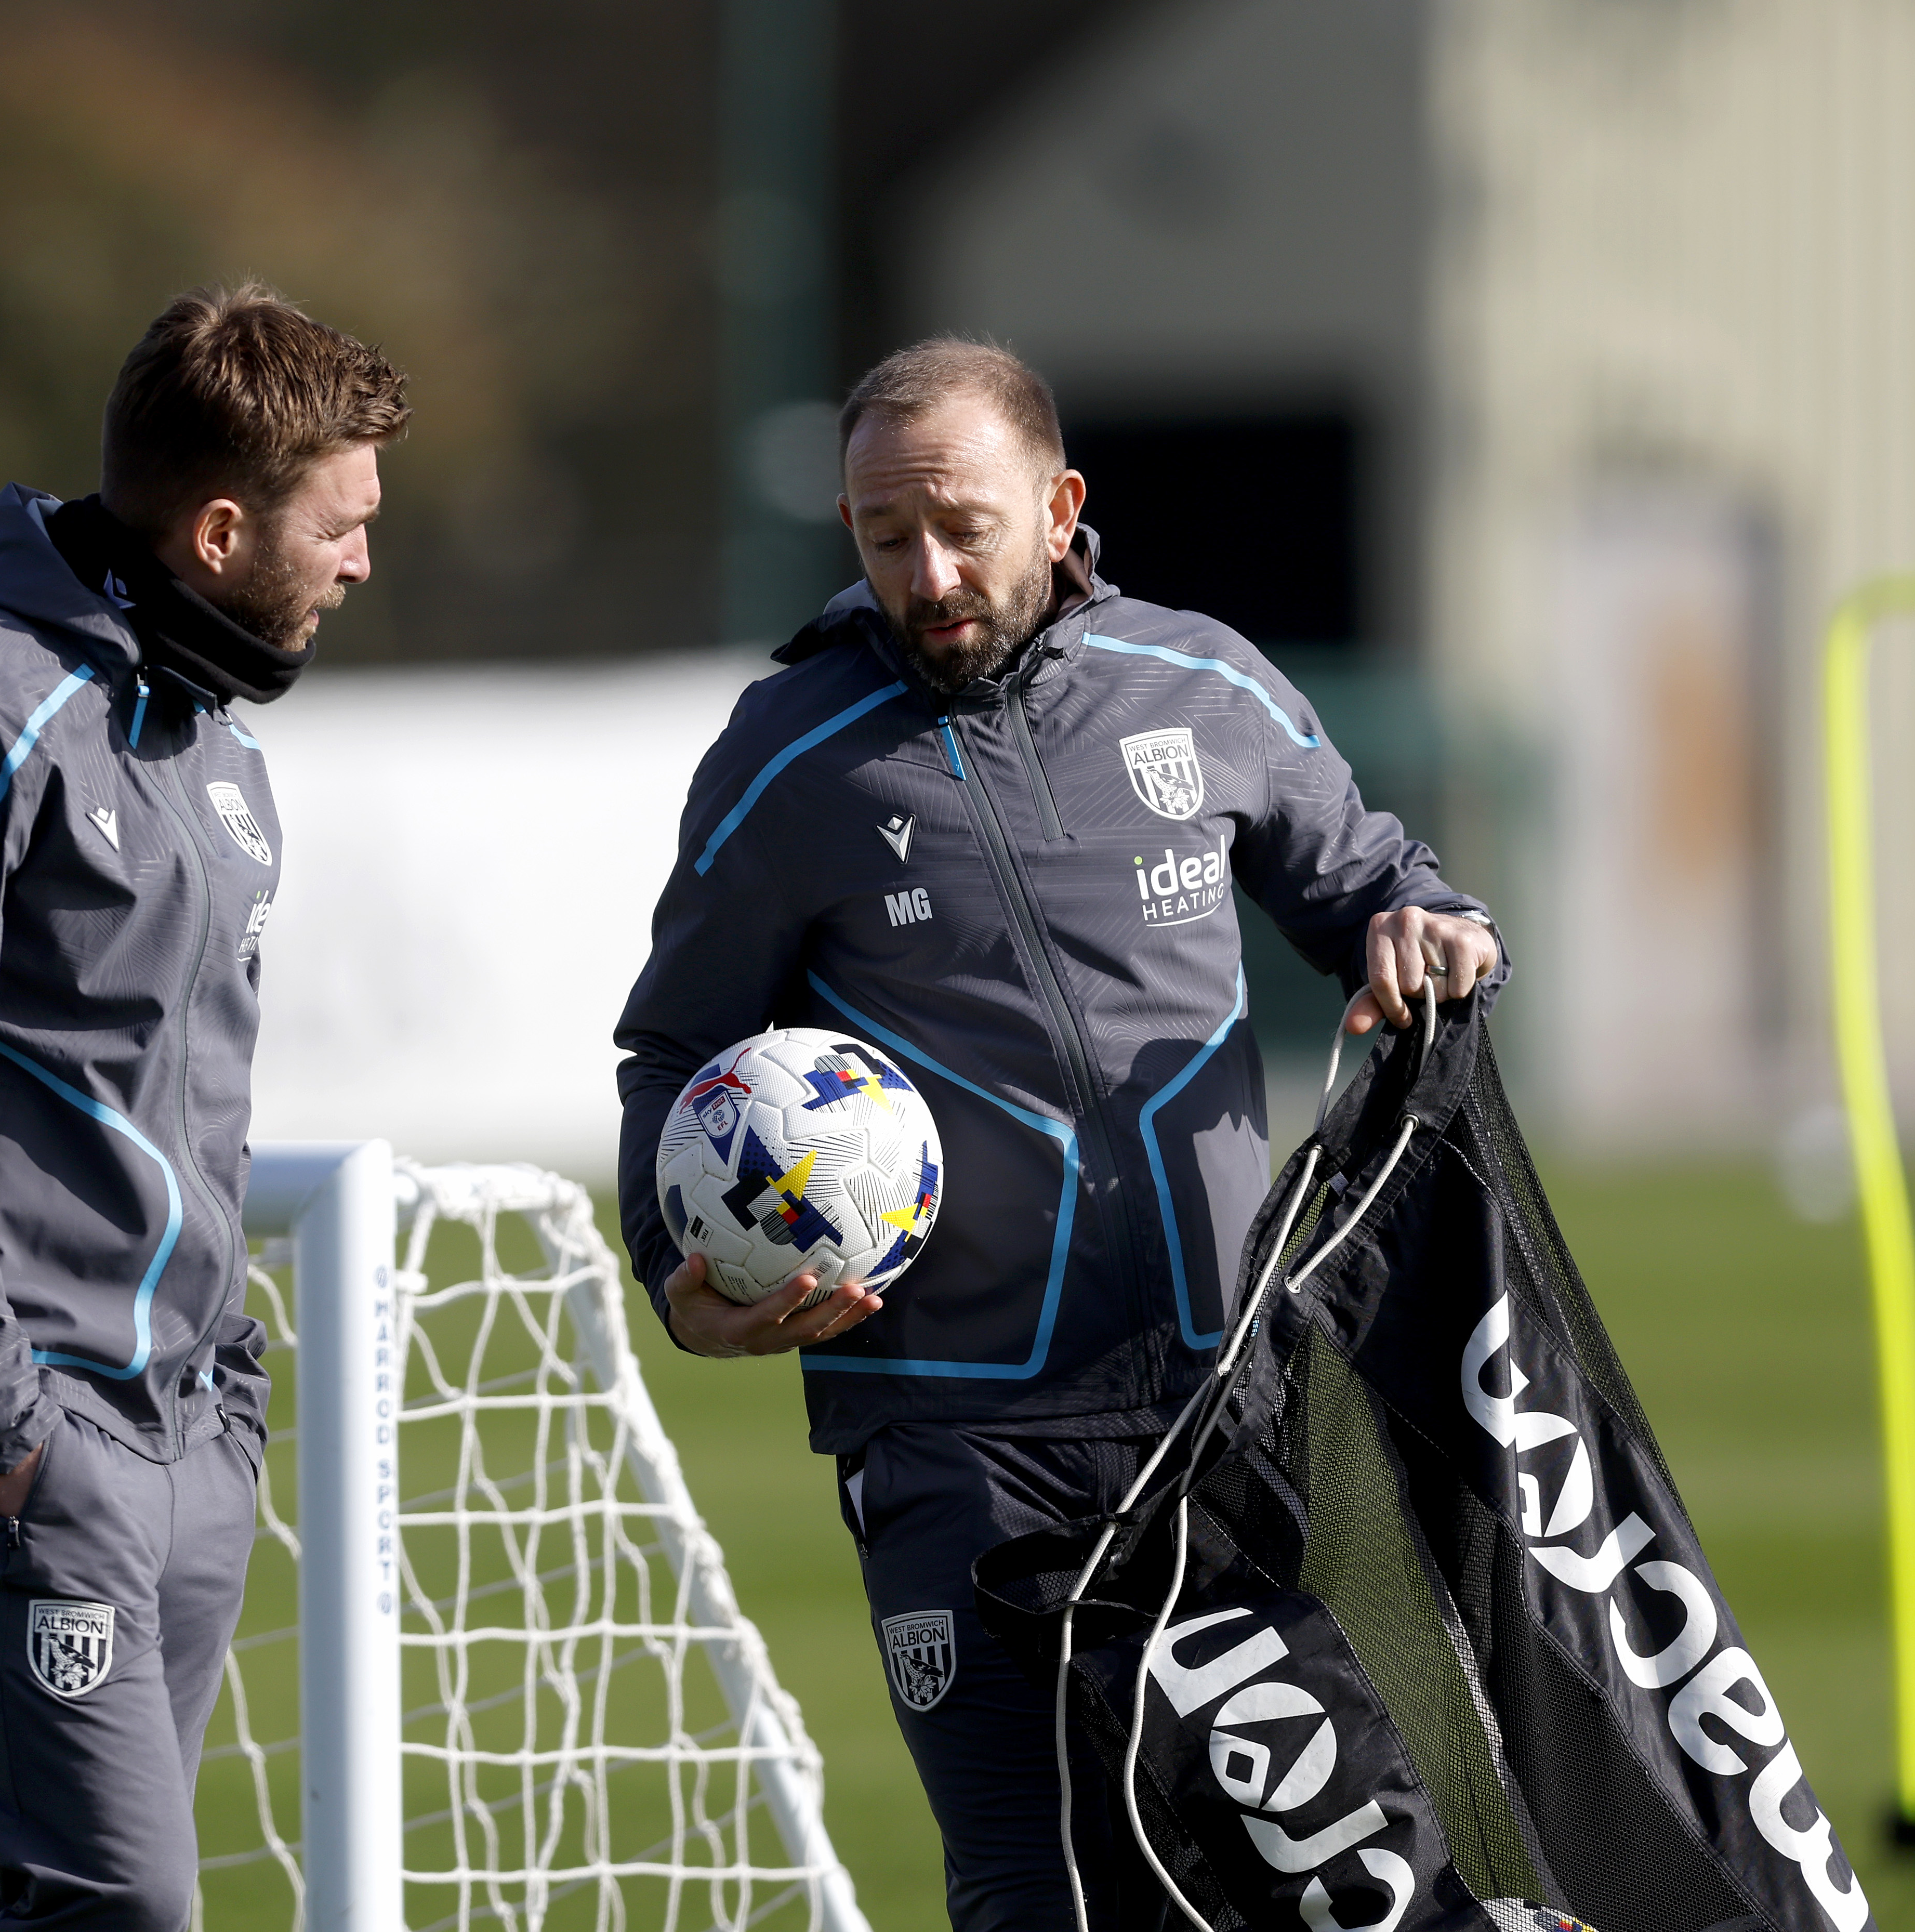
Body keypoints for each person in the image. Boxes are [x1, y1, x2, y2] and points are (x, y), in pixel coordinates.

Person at [613, 339, 1500, 1930]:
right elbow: (675, 1048)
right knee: (1038, 1895)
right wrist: (682, 1265)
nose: (928, 573)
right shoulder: (787, 757)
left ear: (1060, 501)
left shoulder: (1205, 684)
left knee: (1321, 1894)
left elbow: (1368, 872)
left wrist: (1426, 922)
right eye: (885, 538)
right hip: (955, 1442)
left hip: (1220, 1411)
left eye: (962, 525)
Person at [0, 283, 405, 1930]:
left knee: (56, 1905)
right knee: (120, 1910)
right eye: (339, 527)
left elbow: (193, 1099)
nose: (360, 563)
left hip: (186, 1422)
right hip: (10, 1425)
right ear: (215, 531)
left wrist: (229, 1389)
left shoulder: (213, 741)